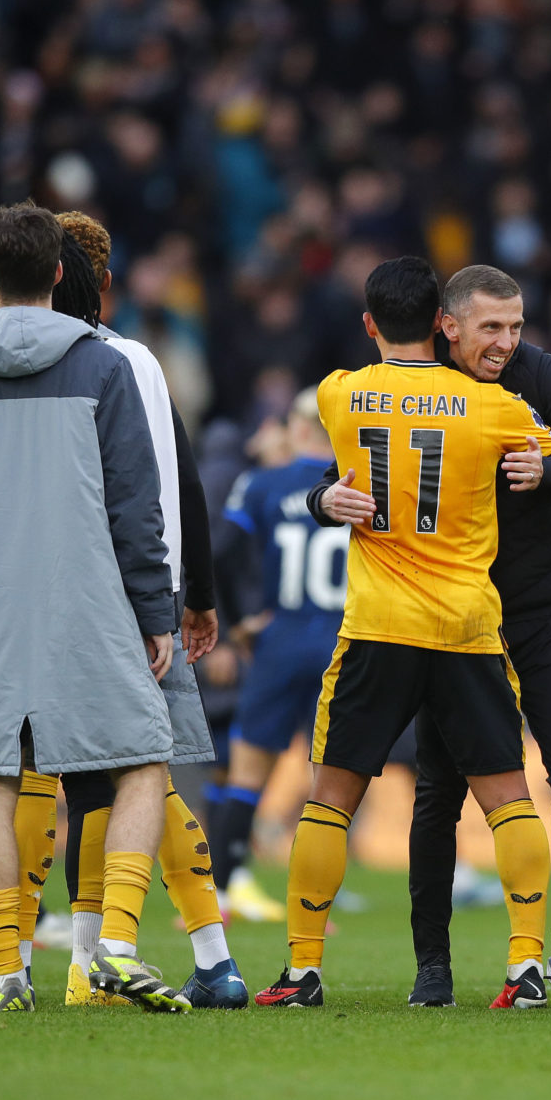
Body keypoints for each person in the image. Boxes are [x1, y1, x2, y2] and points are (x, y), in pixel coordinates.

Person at [0, 221, 240, 1011]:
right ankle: (116, 959)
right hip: (110, 599)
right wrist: (176, 599)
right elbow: (162, 493)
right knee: (134, 771)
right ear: (95, 283)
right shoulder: (120, 361)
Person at [312, 264, 551, 1008]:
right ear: (446, 326)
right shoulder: (410, 384)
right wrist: (319, 498)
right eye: (492, 328)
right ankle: (434, 966)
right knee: (439, 791)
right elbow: (347, 468)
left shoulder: (535, 377)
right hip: (452, 613)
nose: (507, 343)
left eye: (516, 327)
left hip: (535, 608)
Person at [253, 257, 551, 1010]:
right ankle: (526, 964)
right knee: (509, 799)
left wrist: (328, 497)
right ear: (440, 325)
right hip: (465, 624)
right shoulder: (493, 405)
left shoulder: (339, 393)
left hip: (378, 624)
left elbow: (332, 473)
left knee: (330, 799)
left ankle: (303, 971)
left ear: (369, 325)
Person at [214, 389, 347, 926]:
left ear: (295, 428)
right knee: (329, 781)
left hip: (279, 637)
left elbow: (220, 550)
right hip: (343, 642)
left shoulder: (262, 484)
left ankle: (220, 896)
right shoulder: (359, 484)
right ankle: (314, 906)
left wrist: (239, 621)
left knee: (247, 771)